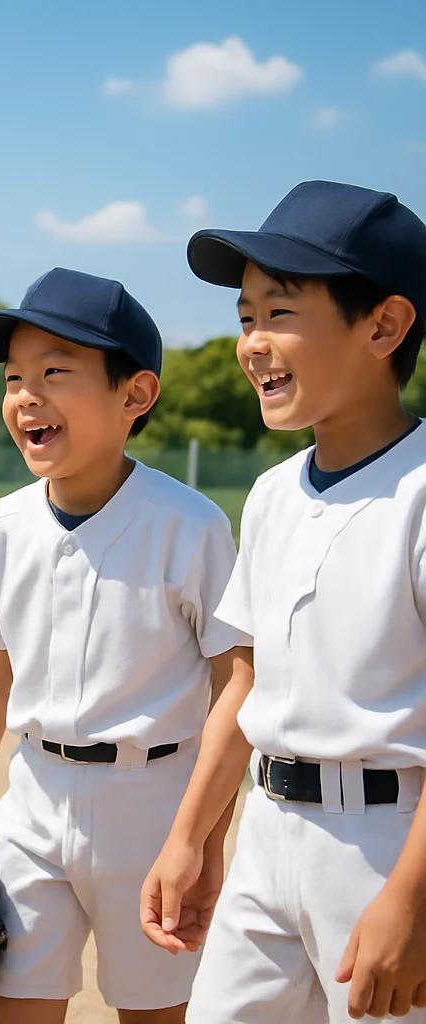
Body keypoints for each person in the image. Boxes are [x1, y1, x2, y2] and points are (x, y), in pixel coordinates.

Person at [142, 181, 426, 1023]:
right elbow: (247, 682)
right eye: (244, 317)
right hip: (267, 835)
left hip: (387, 847)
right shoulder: (270, 494)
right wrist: (192, 837)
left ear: (383, 326)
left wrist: (411, 898)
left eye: (280, 312)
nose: (253, 344)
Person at [0, 268, 252, 1024]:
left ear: (134, 396)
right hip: (35, 796)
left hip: (152, 806)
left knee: (154, 1013)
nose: (26, 396)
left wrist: (202, 836)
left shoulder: (190, 524)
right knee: (16, 1009)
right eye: (15, 377)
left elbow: (235, 684)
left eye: (55, 372)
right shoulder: (1, 529)